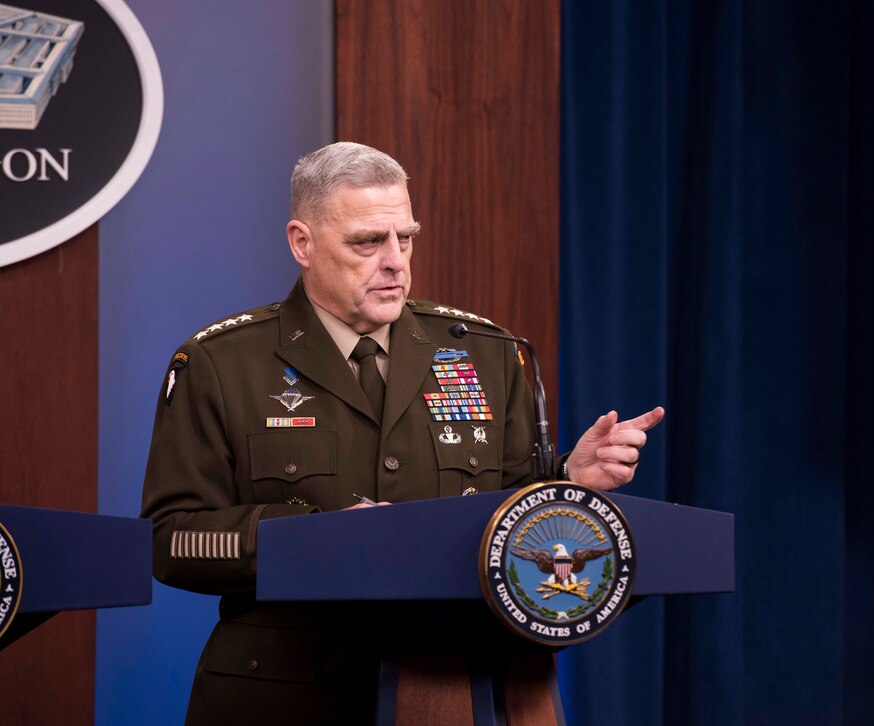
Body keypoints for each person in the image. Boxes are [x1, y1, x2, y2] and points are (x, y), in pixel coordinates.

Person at [140, 142, 664, 724]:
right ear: (302, 243)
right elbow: (171, 539)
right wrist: (316, 539)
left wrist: (566, 479)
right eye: (367, 242)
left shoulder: (485, 351)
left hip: (455, 690)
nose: (395, 262)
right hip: (286, 694)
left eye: (405, 238)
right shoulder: (221, 362)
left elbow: (507, 512)